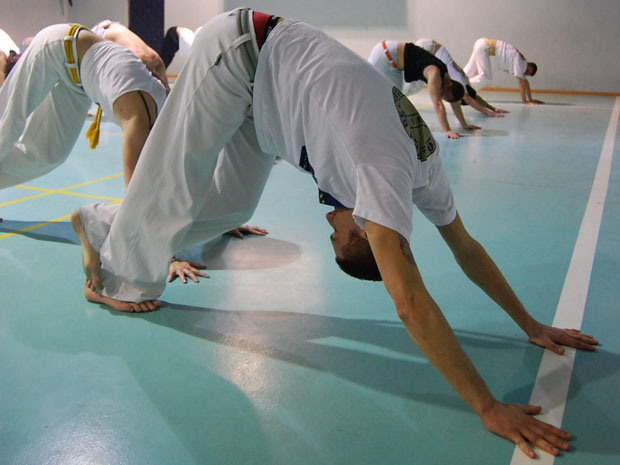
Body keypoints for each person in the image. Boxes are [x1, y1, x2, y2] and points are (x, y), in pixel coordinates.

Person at [72, 8, 598, 457]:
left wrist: (530, 324)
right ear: (369, 231)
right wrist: (487, 407)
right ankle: (112, 268)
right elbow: (410, 302)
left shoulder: (426, 171)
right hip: (239, 52)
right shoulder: (380, 178)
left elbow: (467, 249)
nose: (328, 220)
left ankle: (102, 222)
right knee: (173, 186)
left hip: (264, 101)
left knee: (230, 206)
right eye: (340, 236)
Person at [0, 23, 166, 191]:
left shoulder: (163, 103)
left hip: (78, 82)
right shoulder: (139, 119)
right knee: (5, 128)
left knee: (49, 154)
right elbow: (134, 194)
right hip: (59, 46)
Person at [368, 40, 467, 139]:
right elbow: (438, 104)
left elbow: (454, 102)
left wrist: (464, 124)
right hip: (384, 52)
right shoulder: (435, 73)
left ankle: (385, 128)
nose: (442, 97)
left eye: (446, 99)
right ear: (449, 85)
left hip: (394, 67)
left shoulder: (446, 77)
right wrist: (447, 130)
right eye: (444, 96)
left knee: (396, 100)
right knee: (367, 86)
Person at [415, 38, 508, 117]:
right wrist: (488, 112)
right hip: (428, 47)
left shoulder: (465, 83)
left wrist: (493, 108)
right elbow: (469, 99)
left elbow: (475, 97)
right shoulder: (461, 83)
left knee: (415, 83)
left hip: (429, 45)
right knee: (415, 86)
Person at [91, 20, 169, 91]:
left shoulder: (99, 37)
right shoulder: (116, 28)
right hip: (154, 56)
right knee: (166, 92)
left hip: (137, 57)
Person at [464, 37, 542, 105]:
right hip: (484, 47)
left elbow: (525, 82)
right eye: (527, 72)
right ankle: (462, 87)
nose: (525, 73)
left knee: (469, 72)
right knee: (486, 78)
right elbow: (521, 82)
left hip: (481, 43)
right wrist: (525, 101)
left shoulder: (518, 60)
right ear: (529, 67)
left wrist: (530, 99)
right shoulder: (520, 62)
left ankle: (459, 84)